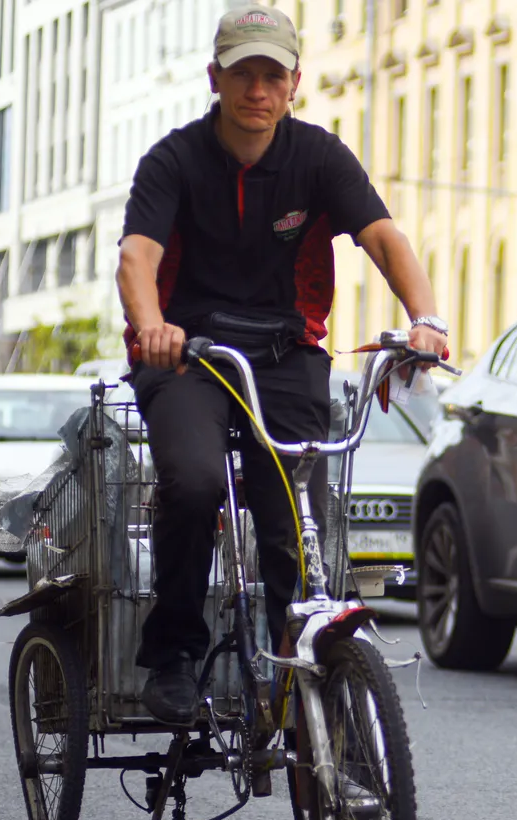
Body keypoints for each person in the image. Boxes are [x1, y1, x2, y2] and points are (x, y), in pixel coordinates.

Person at [116, 3, 448, 723]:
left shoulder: (318, 157)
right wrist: (152, 329)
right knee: (197, 481)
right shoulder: (172, 160)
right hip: (188, 357)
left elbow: (384, 239)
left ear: (295, 82)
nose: (257, 90)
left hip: (286, 354)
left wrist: (425, 319)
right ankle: (171, 653)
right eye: (243, 74)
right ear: (216, 78)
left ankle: (299, 658)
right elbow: (136, 260)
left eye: (272, 75)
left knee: (293, 520)